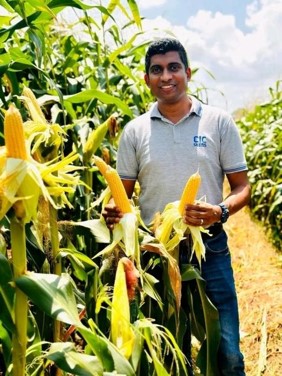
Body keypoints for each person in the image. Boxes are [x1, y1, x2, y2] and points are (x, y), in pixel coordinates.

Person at [102, 38, 251, 375]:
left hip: (208, 247)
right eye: (157, 70)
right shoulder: (134, 131)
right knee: (169, 347)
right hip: (155, 251)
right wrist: (113, 209)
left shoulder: (218, 122)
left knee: (226, 349)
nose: (165, 76)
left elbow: (242, 187)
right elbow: (120, 194)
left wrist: (220, 211)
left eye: (173, 68)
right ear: (146, 79)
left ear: (188, 73)